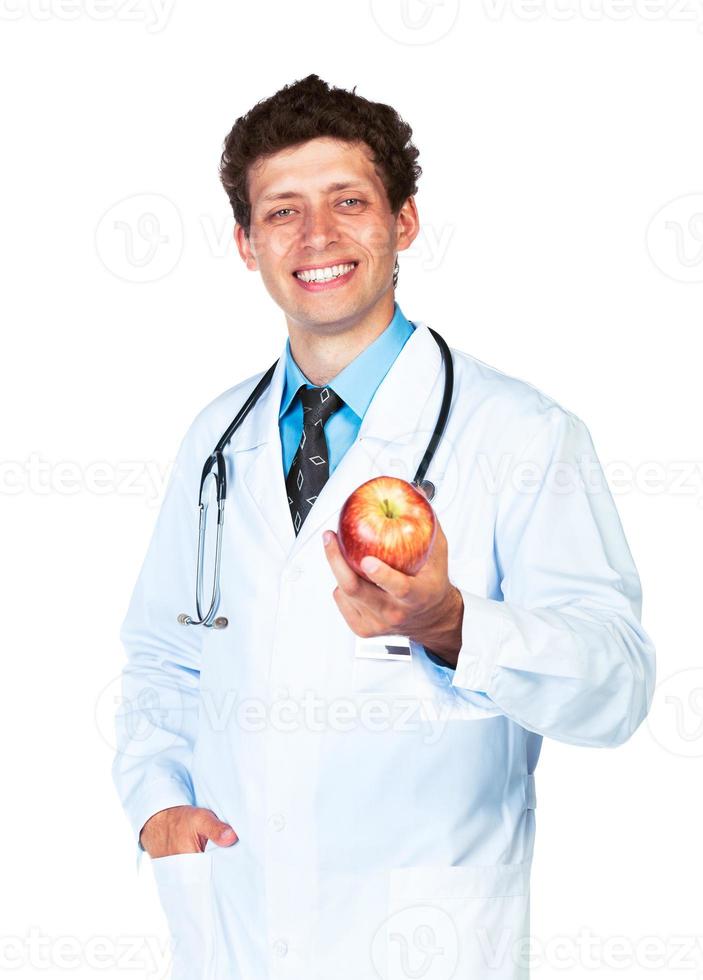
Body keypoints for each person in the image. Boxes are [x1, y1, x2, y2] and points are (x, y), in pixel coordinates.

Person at [112, 73, 656, 980]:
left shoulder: (520, 433)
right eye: (282, 212)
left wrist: (448, 624)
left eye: (348, 202)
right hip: (236, 925)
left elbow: (618, 687)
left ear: (402, 222)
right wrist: (158, 805)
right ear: (246, 245)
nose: (316, 237)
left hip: (424, 941)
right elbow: (163, 654)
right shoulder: (217, 438)